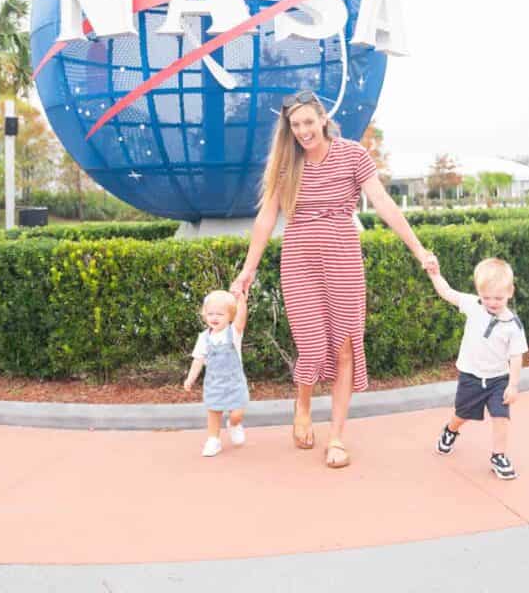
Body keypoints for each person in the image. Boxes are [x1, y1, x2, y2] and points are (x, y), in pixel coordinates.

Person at [230, 90, 437, 469]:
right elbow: (265, 219)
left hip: (342, 259)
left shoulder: (352, 155)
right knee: (310, 345)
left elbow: (384, 203)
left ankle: (337, 436)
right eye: (295, 125)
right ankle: (303, 406)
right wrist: (248, 269)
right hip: (299, 262)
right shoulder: (285, 164)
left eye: (309, 122)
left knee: (344, 346)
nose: (303, 131)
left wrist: (419, 250)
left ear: (323, 118)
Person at [427, 257, 528, 480]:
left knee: (501, 417)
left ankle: (498, 456)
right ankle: (450, 430)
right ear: (479, 293)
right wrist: (435, 274)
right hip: (471, 377)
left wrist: (512, 384)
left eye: (498, 297)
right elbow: (447, 292)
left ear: (510, 292)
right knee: (462, 414)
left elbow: (516, 356)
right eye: (487, 297)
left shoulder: (513, 325)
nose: (492, 302)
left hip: (497, 380)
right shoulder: (473, 305)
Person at [184, 288, 249, 457]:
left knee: (237, 413)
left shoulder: (233, 333)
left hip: (234, 382)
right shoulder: (204, 338)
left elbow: (241, 321)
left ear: (230, 316)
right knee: (214, 412)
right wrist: (190, 379)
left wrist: (241, 301)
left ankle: (234, 425)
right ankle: (213, 440)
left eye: (220, 314)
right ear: (204, 314)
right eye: (210, 313)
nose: (214, 318)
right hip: (214, 383)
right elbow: (198, 360)